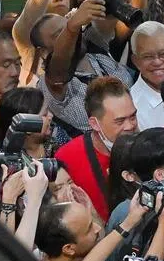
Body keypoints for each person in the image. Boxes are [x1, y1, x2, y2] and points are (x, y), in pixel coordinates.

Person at [54, 76, 139, 221]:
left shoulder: (145, 146)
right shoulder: (68, 158)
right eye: (120, 121)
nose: (130, 126)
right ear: (94, 123)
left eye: (133, 117)